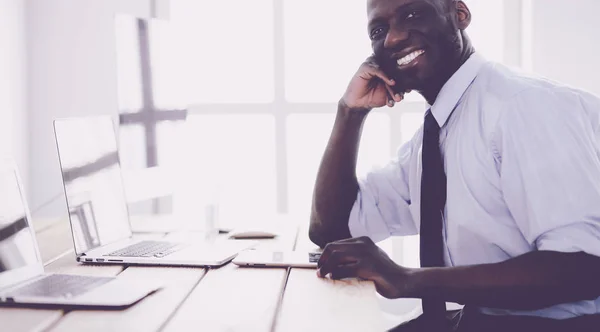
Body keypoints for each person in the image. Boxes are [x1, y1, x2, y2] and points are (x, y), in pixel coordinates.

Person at [308, 0, 600, 331]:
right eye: (379, 30)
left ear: (460, 15)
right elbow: (332, 231)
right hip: (480, 319)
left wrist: (407, 279)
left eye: (413, 14)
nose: (391, 39)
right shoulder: (432, 140)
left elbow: (585, 267)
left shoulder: (524, 106)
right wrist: (350, 112)